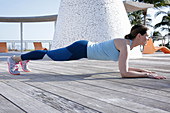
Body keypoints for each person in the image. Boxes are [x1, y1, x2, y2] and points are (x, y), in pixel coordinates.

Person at [7, 25, 166, 79]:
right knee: (50, 56)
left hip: (83, 49)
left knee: (51, 54)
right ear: (139, 36)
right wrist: (147, 75)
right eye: (147, 36)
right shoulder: (125, 45)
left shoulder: (127, 46)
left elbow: (125, 68)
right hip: (80, 49)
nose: (148, 39)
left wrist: (146, 70)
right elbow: (124, 73)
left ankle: (24, 59)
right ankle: (14, 59)